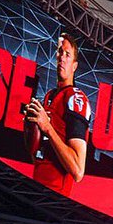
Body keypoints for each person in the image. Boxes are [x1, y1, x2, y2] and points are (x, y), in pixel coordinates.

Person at [25, 33, 91, 196]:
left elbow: (77, 171)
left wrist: (46, 127)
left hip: (54, 199)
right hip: (36, 188)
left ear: (74, 66)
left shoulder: (75, 98)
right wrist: (30, 128)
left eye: (67, 54)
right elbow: (38, 155)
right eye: (60, 52)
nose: (62, 57)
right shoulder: (49, 96)